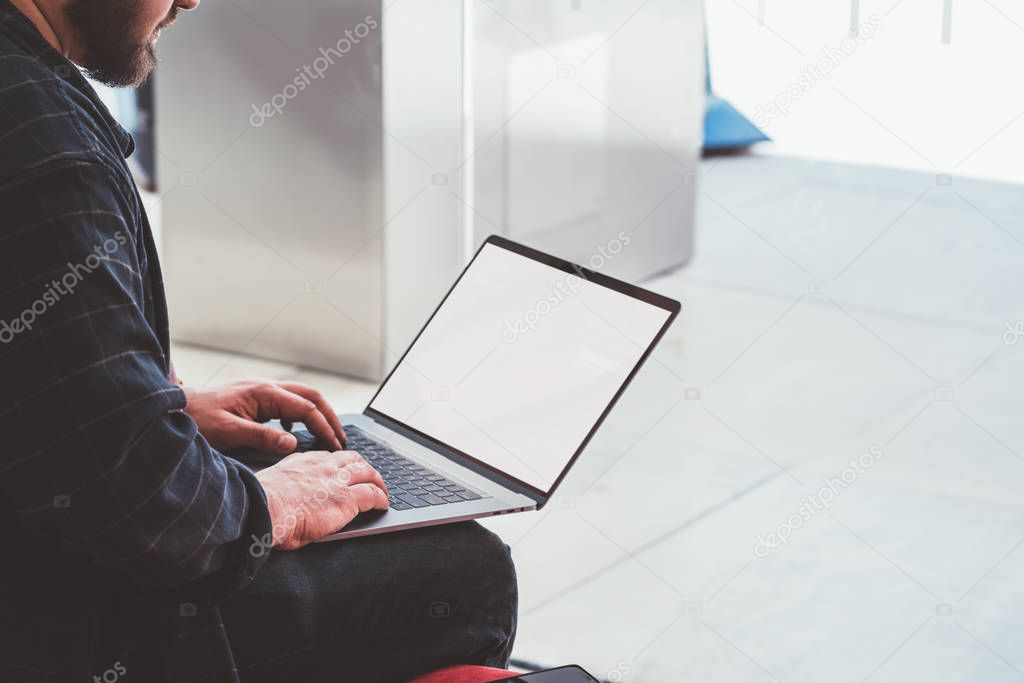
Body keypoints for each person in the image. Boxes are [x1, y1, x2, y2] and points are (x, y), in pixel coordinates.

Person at [0, 0, 517, 680]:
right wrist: (276, 506)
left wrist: (158, 406)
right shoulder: (47, 154)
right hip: (63, 625)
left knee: (300, 461)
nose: (190, 0)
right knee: (467, 566)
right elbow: (148, 505)